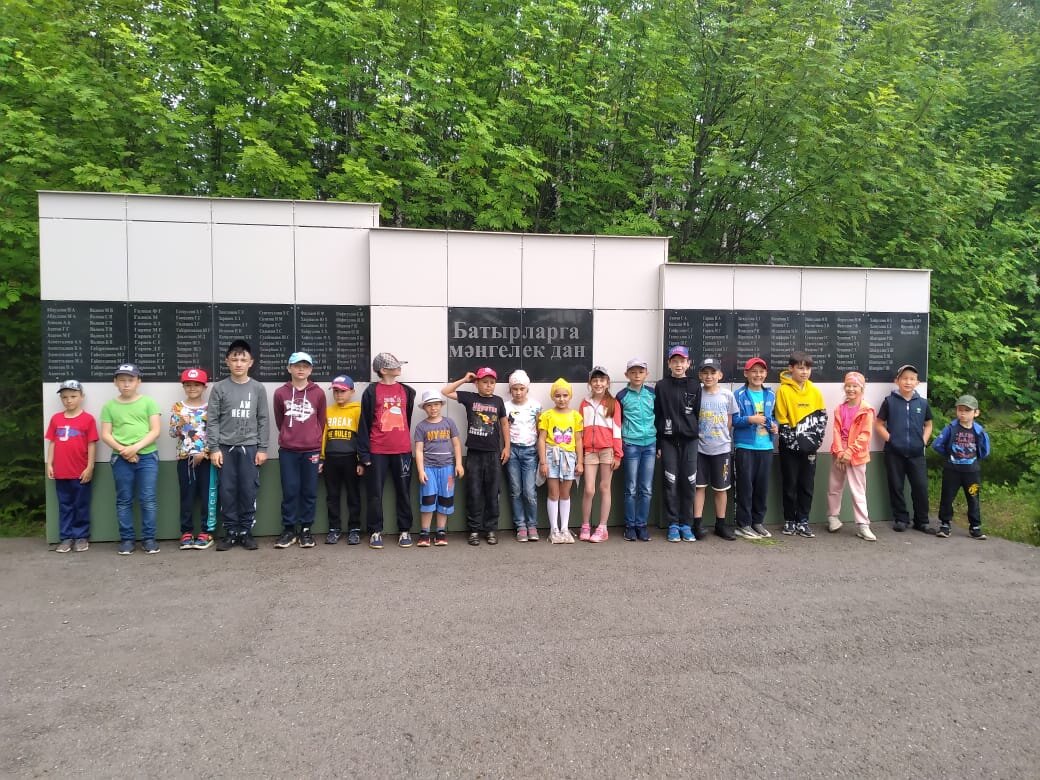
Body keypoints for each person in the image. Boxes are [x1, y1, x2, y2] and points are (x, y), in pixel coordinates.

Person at [207, 340, 270, 551]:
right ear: (227, 361)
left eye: (243, 359)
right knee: (227, 491)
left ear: (251, 362)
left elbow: (263, 419)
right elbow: (213, 420)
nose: (239, 363)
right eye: (235, 359)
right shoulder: (219, 388)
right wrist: (214, 448)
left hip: (250, 448)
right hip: (225, 448)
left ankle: (245, 531)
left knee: (248, 490)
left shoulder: (258, 388)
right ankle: (231, 532)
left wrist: (262, 448)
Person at [442, 368, 510, 546]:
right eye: (484, 382)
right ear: (477, 383)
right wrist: (464, 379)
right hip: (474, 453)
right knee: (474, 492)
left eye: (492, 382)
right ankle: (474, 529)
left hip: (493, 454)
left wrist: (507, 447)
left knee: (492, 493)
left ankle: (491, 529)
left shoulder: (498, 401)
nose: (489, 386)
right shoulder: (470, 398)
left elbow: (504, 424)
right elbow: (445, 392)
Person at [100, 363, 162, 555]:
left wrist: (135, 448)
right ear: (115, 382)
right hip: (120, 458)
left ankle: (149, 539)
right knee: (124, 499)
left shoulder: (149, 403)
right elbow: (106, 434)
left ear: (138, 382)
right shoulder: (109, 406)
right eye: (122, 380)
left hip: (147, 457)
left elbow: (155, 430)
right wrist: (123, 450)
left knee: (148, 499)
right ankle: (127, 539)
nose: (126, 384)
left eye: (130, 380)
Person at [358, 352, 416, 549]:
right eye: (395, 365)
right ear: (383, 370)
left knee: (404, 492)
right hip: (377, 451)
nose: (399, 368)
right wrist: (364, 455)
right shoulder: (371, 391)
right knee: (375, 493)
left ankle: (405, 530)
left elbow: (406, 418)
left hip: (402, 450)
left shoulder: (407, 391)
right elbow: (364, 423)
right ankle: (375, 531)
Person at [272, 352, 327, 549]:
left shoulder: (318, 393)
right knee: (290, 490)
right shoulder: (280, 393)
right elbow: (280, 420)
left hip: (311, 450)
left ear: (311, 369)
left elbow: (321, 421)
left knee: (309, 491)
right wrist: (289, 436)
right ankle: (289, 529)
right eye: (296, 365)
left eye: (305, 366)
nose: (301, 369)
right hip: (288, 450)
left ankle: (305, 529)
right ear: (289, 368)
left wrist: (315, 445)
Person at [875, 364, 934, 534]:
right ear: (897, 381)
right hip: (894, 453)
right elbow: (879, 424)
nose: (908, 382)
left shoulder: (922, 403)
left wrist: (923, 441)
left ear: (917, 382)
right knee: (896, 486)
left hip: (916, 454)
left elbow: (928, 424)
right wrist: (891, 439)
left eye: (912, 379)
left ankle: (922, 521)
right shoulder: (889, 401)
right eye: (904, 378)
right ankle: (901, 519)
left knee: (920, 487)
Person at [774, 351, 827, 538]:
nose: (805, 372)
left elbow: (822, 418)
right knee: (790, 484)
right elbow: (781, 419)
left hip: (810, 448)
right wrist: (794, 443)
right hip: (789, 448)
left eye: (808, 368)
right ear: (791, 368)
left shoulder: (815, 391)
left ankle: (803, 521)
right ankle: (789, 520)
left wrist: (814, 442)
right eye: (800, 368)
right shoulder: (783, 391)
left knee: (807, 485)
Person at [654, 345, 701, 543]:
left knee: (689, 482)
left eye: (682, 361)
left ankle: (686, 525)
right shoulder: (661, 386)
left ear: (688, 363)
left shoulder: (695, 385)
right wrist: (658, 442)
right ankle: (673, 524)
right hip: (668, 441)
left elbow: (697, 413)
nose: (678, 365)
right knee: (670, 482)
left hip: (690, 441)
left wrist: (692, 431)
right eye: (675, 361)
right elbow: (657, 414)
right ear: (669, 364)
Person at [45, 379, 98, 553]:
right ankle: (66, 537)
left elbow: (92, 444)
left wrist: (90, 467)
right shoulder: (56, 419)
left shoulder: (88, 419)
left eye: (73, 396)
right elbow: (52, 442)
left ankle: (81, 536)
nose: (69, 400)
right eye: (65, 397)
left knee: (81, 505)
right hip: (61, 472)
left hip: (80, 471)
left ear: (82, 397)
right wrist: (49, 464)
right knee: (65, 506)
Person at [825, 371, 877, 541]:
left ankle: (863, 525)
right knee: (834, 487)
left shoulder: (866, 410)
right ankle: (833, 517)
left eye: (855, 386)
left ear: (862, 388)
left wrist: (849, 452)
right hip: (839, 454)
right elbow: (836, 431)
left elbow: (865, 434)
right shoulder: (839, 409)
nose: (851, 389)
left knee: (858, 490)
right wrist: (840, 452)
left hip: (857, 455)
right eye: (848, 386)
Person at [932, 394, 991, 539]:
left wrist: (975, 459)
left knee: (973, 497)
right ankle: (945, 524)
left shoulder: (979, 431)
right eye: (960, 410)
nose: (963, 413)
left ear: (976, 413)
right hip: (952, 471)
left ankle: (975, 526)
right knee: (947, 497)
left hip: (972, 472)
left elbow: (985, 450)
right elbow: (937, 444)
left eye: (967, 410)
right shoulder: (951, 428)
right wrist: (949, 455)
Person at [694, 357, 738, 541]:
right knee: (699, 487)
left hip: (722, 449)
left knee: (721, 488)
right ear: (700, 375)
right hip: (699, 449)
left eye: (713, 372)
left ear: (720, 375)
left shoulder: (727, 395)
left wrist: (721, 438)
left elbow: (729, 420)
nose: (709, 376)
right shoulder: (697, 393)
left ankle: (721, 524)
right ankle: (697, 523)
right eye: (705, 373)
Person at [732, 357, 776, 539]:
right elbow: (734, 420)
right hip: (745, 446)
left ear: (766, 374)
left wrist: (774, 426)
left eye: (761, 371)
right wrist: (750, 419)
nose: (758, 375)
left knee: (761, 487)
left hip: (766, 447)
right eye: (754, 371)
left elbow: (773, 417)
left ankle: (757, 522)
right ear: (746, 373)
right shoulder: (738, 394)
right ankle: (743, 524)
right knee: (745, 486)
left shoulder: (770, 394)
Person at [412, 391, 464, 547]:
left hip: (448, 470)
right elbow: (419, 450)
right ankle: (425, 533)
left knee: (445, 499)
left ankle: (441, 532)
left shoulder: (449, 423)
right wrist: (421, 470)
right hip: (429, 469)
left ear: (441, 405)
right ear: (424, 408)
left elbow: (456, 445)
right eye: (429, 405)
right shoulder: (421, 427)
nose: (433, 408)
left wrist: (459, 464)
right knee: (428, 499)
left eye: (436, 404)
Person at [169, 368, 212, 550]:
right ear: (183, 387)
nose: (192, 388)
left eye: (196, 385)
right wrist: (179, 425)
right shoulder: (178, 407)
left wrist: (205, 452)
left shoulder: (210, 407)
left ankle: (206, 531)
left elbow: (215, 433)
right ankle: (186, 531)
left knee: (207, 495)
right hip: (185, 458)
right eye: (188, 385)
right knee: (187, 495)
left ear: (204, 387)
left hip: (207, 458)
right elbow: (172, 433)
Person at [579, 366, 623, 543]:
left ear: (607, 383)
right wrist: (580, 454)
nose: (598, 383)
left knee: (605, 487)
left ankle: (602, 527)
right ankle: (585, 525)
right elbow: (580, 430)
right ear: (590, 383)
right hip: (589, 451)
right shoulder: (584, 403)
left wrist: (618, 454)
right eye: (595, 380)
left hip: (607, 450)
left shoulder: (613, 404)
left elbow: (617, 430)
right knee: (589, 489)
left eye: (602, 380)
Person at [538, 378, 583, 543]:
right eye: (558, 395)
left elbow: (578, 440)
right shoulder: (547, 415)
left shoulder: (576, 416)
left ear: (570, 396)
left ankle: (564, 528)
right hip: (552, 456)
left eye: (565, 395)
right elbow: (541, 439)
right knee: (553, 493)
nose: (562, 399)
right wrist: (543, 462)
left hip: (569, 458)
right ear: (553, 397)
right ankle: (554, 529)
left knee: (565, 493)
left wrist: (580, 461)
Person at [616, 358, 656, 541]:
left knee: (646, 488)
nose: (637, 375)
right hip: (631, 444)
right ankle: (630, 526)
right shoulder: (622, 396)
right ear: (627, 375)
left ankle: (642, 525)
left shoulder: (652, 393)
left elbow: (659, 417)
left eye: (640, 372)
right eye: (633, 372)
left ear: (646, 374)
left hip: (650, 444)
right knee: (631, 488)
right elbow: (618, 422)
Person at [321, 374, 363, 545]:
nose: (339, 395)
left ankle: (354, 529)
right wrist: (322, 458)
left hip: (350, 459)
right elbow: (324, 435)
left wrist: (361, 460)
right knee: (332, 496)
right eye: (336, 391)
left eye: (343, 391)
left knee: (353, 495)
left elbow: (362, 436)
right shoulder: (328, 411)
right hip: (331, 459)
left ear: (352, 392)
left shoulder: (357, 410)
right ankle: (334, 529)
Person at [504, 370, 541, 542]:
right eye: (515, 389)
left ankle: (532, 525)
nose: (518, 392)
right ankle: (520, 526)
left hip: (530, 451)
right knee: (516, 490)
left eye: (521, 389)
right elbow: (504, 430)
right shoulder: (505, 406)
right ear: (510, 389)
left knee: (529, 491)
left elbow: (540, 430)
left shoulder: (536, 406)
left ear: (527, 389)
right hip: (512, 451)